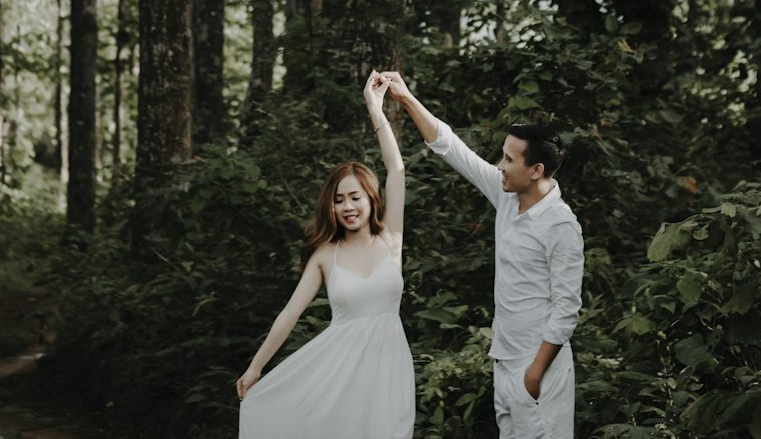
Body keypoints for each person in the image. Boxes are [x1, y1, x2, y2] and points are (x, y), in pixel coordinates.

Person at [381, 72, 583, 439]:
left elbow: (567, 308)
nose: (500, 166)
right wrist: (406, 99)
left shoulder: (561, 225)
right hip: (504, 361)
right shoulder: (506, 195)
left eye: (509, 159)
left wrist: (534, 374)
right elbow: (451, 147)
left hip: (539, 368)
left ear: (536, 170)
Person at [236, 71, 415, 439]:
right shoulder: (324, 256)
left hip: (389, 370)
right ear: (330, 208)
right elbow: (290, 312)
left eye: (355, 197)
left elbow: (396, 170)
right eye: (338, 200)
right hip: (338, 372)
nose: (347, 207)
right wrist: (256, 367)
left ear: (371, 199)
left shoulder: (390, 240)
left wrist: (375, 107)